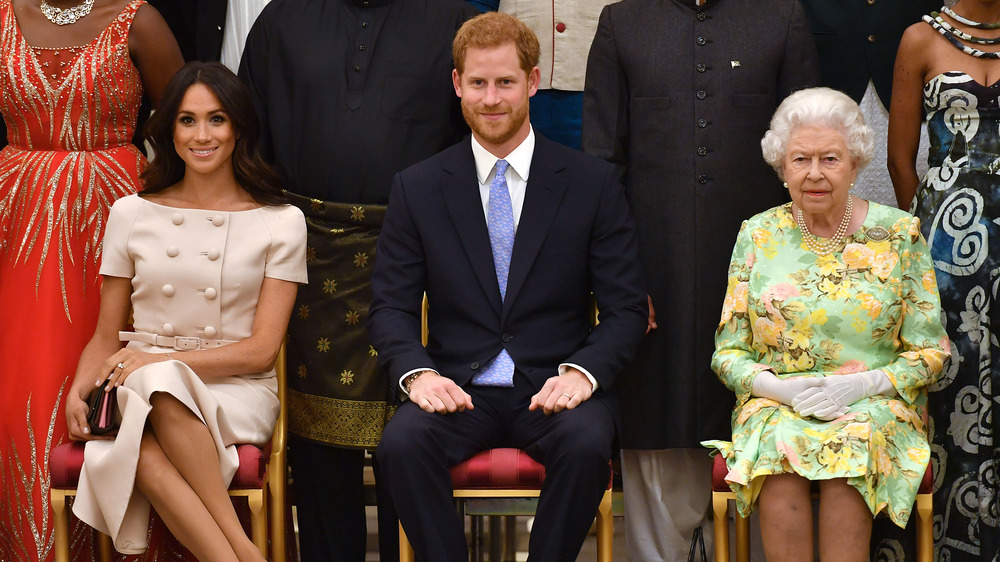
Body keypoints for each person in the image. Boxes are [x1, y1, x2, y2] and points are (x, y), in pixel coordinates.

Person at [369, 11, 648, 561]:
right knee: (399, 445)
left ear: (533, 83)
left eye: (505, 82)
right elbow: (390, 307)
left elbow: (625, 310)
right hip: (458, 390)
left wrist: (584, 373)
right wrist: (418, 374)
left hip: (554, 386)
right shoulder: (418, 187)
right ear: (457, 86)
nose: (491, 98)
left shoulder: (591, 184)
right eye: (478, 83)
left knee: (590, 441)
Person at [238, 1, 477, 559]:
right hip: (307, 259)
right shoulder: (282, 18)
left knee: (415, 435)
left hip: (423, 260)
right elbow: (250, 138)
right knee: (318, 450)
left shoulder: (453, 22)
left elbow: (480, 142)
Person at [580, 1, 820, 558]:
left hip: (762, 276)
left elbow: (808, 155)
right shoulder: (624, 21)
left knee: (760, 419)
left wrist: (804, 274)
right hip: (651, 268)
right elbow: (601, 162)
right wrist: (618, 282)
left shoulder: (779, 17)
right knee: (654, 416)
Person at [63, 61, 307, 560]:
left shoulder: (281, 221)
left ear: (239, 127)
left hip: (235, 389)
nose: (202, 135)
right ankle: (241, 554)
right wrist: (78, 388)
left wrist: (155, 365)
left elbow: (261, 352)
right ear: (168, 129)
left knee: (156, 395)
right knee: (143, 436)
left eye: (216, 119)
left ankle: (238, 550)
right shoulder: (131, 212)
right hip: (140, 382)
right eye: (187, 120)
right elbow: (106, 335)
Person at [702, 87, 950, 561]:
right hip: (778, 404)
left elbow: (930, 353)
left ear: (856, 162)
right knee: (779, 443)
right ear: (782, 167)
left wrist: (864, 386)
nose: (814, 173)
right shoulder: (757, 233)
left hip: (874, 405)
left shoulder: (900, 233)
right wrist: (781, 391)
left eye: (830, 158)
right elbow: (728, 352)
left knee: (850, 447)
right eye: (800, 159)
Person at [0, 1, 182, 559]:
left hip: (116, 218)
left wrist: (150, 194)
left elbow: (186, 115)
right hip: (18, 216)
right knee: (20, 391)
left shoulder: (139, 20)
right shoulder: (3, 13)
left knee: (110, 385)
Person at [887, 2, 1000, 559]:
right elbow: (900, 157)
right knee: (949, 378)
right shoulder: (918, 39)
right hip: (946, 248)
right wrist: (925, 239)